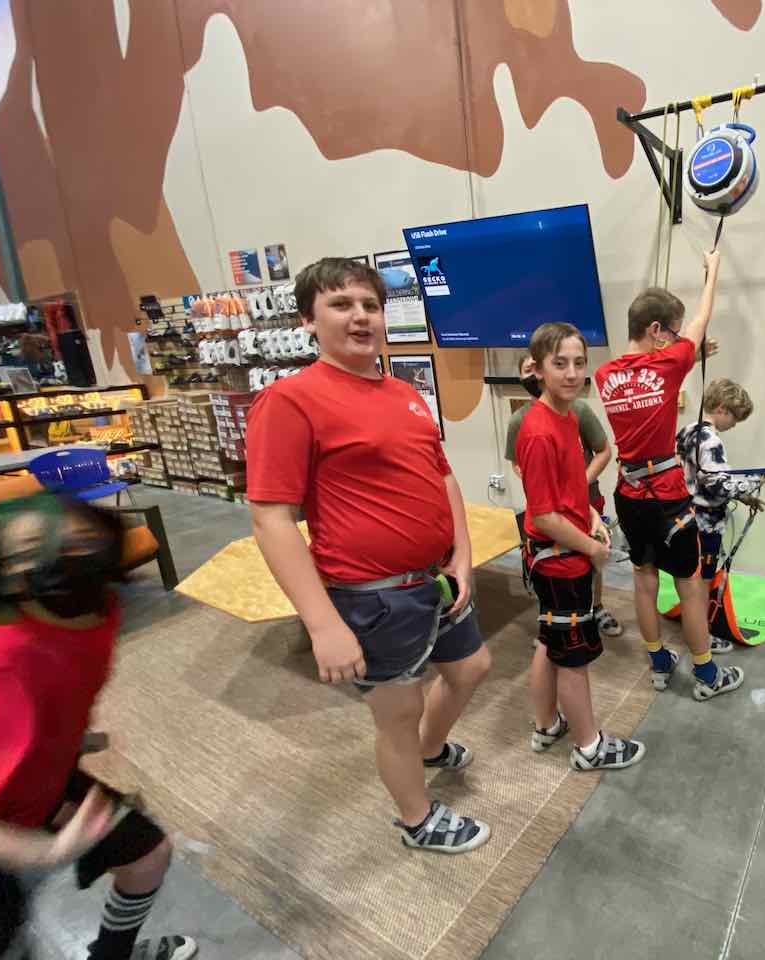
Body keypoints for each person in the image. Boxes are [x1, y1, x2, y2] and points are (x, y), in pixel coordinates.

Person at [247, 258, 492, 855]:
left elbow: (445, 478)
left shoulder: (405, 394)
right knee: (397, 712)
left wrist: (462, 556)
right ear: (308, 319)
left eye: (370, 305)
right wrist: (322, 624)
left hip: (437, 580)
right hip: (372, 596)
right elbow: (271, 519)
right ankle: (417, 818)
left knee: (471, 668)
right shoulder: (289, 401)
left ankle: (430, 752)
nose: (360, 317)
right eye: (341, 305)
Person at [0, 493, 196, 960]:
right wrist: (45, 853)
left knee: (146, 854)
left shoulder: (97, 612)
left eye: (79, 536)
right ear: (7, 576)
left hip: (37, 786)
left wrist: (67, 741)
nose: (68, 552)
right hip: (4, 825)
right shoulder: (5, 661)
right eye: (28, 551)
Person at [594, 250, 744, 701]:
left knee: (643, 578)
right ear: (656, 330)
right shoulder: (670, 362)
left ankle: (660, 662)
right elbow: (703, 316)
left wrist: (688, 352)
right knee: (690, 585)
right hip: (668, 496)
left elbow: (647, 386)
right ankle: (706, 674)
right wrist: (712, 268)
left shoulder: (604, 375)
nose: (681, 336)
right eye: (672, 330)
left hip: (628, 492)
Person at [516, 323, 645, 770]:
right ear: (537, 369)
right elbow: (546, 515)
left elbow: (568, 489)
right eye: (560, 364)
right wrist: (590, 550)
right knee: (573, 656)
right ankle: (590, 746)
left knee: (549, 643)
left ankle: (548, 723)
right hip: (560, 561)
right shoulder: (537, 431)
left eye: (578, 363)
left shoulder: (566, 417)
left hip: (567, 547)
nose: (572, 373)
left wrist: (590, 516)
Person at [505, 352, 623, 639]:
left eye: (578, 363)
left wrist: (576, 486)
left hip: (585, 501)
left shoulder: (576, 412)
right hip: (551, 512)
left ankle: (594, 607)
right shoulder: (525, 422)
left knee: (590, 558)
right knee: (560, 567)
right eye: (527, 369)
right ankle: (557, 621)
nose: (570, 373)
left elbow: (603, 451)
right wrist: (547, 488)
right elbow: (519, 465)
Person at [674, 378, 765, 653]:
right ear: (723, 408)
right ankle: (702, 637)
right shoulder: (711, 440)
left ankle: (695, 628)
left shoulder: (688, 430)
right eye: (735, 419)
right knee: (703, 583)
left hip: (687, 516)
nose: (734, 425)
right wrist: (754, 481)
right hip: (706, 523)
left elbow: (702, 478)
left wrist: (744, 496)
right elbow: (718, 483)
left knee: (692, 579)